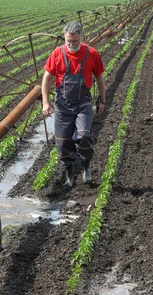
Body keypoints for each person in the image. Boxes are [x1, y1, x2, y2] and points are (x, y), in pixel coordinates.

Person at [41, 20, 106, 187]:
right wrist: (46, 103)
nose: (71, 44)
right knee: (62, 143)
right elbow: (46, 79)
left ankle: (86, 166)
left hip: (83, 103)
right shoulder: (57, 53)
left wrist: (102, 100)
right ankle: (69, 174)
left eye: (74, 41)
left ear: (81, 38)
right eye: (68, 41)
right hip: (62, 105)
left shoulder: (91, 54)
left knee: (84, 136)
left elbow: (99, 77)